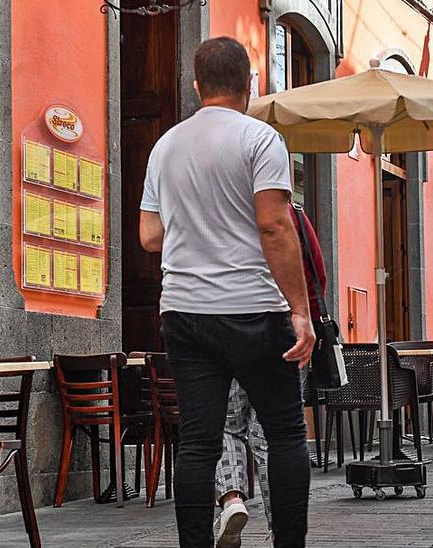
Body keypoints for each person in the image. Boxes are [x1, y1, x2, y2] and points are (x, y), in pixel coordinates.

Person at [138, 36, 315, 547]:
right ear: (250, 84)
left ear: (196, 86)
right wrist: (300, 312)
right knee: (284, 434)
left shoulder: (165, 146)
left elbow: (150, 236)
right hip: (253, 307)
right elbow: (275, 227)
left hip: (184, 312)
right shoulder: (261, 140)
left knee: (197, 441)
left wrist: (196, 221)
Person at [213, 203, 326, 547]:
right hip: (283, 332)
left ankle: (232, 499)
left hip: (228, 328)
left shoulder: (222, 212)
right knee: (276, 436)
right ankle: (283, 527)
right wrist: (304, 317)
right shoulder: (289, 212)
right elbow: (316, 273)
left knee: (225, 425)